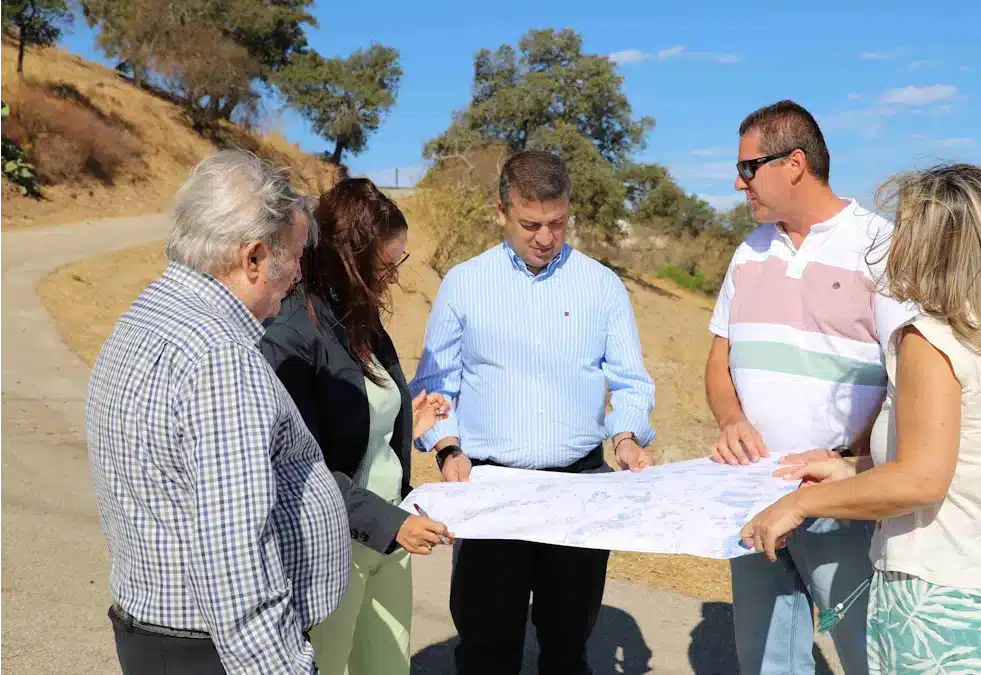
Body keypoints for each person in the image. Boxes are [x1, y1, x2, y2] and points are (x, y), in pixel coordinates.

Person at [741, 163, 981, 674]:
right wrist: (849, 470)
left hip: (945, 604)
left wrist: (800, 502)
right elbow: (971, 462)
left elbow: (922, 479)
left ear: (927, 242)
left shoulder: (935, 339)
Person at [85, 149, 351, 674]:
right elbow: (235, 561)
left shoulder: (148, 316)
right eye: (294, 258)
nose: (297, 276)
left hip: (163, 637)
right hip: (212, 653)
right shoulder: (220, 361)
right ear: (253, 258)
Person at [409, 149, 657, 675]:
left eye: (557, 223)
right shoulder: (465, 283)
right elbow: (434, 383)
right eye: (530, 224)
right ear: (500, 212)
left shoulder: (602, 286)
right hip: (493, 491)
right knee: (485, 650)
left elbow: (631, 381)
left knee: (567, 650)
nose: (545, 237)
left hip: (580, 490)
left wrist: (627, 438)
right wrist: (447, 447)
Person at [704, 100, 916, 675]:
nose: (738, 180)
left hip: (843, 504)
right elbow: (718, 361)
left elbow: (911, 376)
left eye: (749, 167)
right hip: (752, 494)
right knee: (767, 658)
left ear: (794, 163)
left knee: (868, 654)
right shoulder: (747, 253)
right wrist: (731, 421)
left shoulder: (883, 247)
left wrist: (854, 458)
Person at [259, 178, 455, 675]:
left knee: (387, 667)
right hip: (336, 542)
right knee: (323, 663)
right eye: (386, 264)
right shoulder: (293, 336)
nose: (394, 276)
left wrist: (410, 416)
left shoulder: (362, 318)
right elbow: (304, 470)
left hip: (390, 535)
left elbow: (366, 417)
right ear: (350, 259)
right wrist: (393, 525)